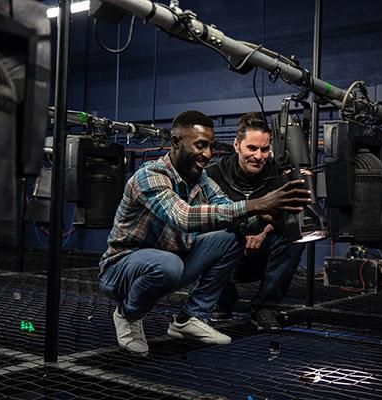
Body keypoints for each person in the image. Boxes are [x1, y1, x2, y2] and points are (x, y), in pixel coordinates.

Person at [98, 110, 311, 355]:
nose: (208, 154)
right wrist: (258, 204)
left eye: (210, 146)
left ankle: (189, 318)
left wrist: (263, 218)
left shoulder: (201, 181)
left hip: (173, 263)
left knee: (229, 238)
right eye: (200, 145)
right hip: (121, 270)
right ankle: (127, 315)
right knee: (167, 264)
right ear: (176, 142)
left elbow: (229, 212)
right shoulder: (151, 175)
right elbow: (184, 217)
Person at [206, 112, 305, 331]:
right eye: (252, 148)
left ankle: (264, 307)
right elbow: (204, 218)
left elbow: (288, 215)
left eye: (264, 149)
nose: (259, 156)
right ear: (236, 145)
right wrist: (241, 234)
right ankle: (221, 302)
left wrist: (264, 232)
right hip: (226, 253)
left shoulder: (278, 175)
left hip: (261, 250)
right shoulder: (214, 175)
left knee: (297, 237)